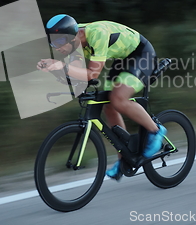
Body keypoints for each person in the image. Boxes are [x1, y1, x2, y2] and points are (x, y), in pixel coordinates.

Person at [36, 14, 166, 181]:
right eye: (52, 43)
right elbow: (77, 76)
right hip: (121, 60)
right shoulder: (73, 43)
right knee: (108, 106)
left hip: (141, 55)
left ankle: (155, 130)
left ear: (73, 36)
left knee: (118, 99)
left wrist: (62, 66)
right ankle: (124, 158)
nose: (57, 48)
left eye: (60, 42)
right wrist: (55, 70)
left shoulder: (97, 34)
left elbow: (92, 74)